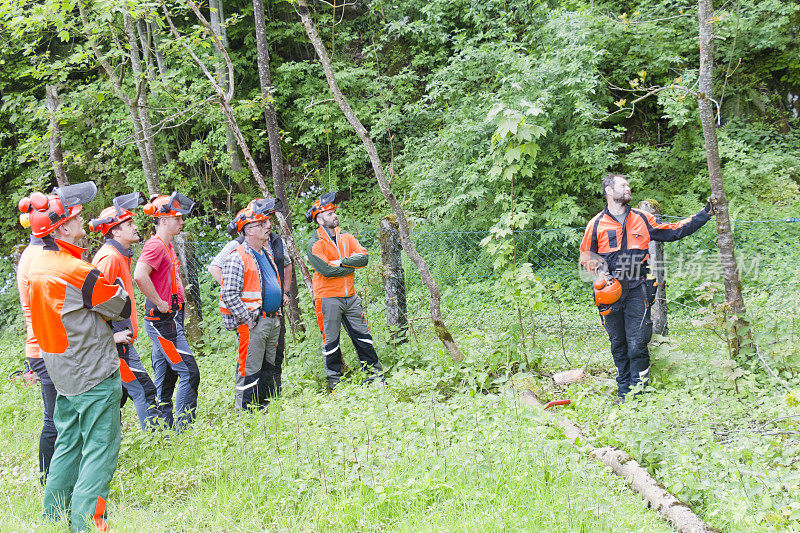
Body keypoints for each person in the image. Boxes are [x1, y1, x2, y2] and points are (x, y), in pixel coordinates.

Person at [20, 182, 132, 532]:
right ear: (62, 227)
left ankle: (54, 519)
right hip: (93, 372)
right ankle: (88, 525)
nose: (84, 224)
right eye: (77, 218)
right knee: (101, 450)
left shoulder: (35, 261)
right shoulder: (75, 270)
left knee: (68, 444)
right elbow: (121, 305)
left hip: (60, 368)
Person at [579, 173, 715, 402]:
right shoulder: (596, 224)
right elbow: (586, 255)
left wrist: (706, 213)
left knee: (637, 343)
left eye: (628, 185)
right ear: (609, 191)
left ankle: (640, 394)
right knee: (618, 344)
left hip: (637, 288)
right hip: (609, 293)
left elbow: (674, 230)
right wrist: (601, 275)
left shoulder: (642, 218)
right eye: (623, 185)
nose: (628, 187)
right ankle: (624, 393)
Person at [90, 192, 161, 431]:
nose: (135, 227)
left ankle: (111, 440)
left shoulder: (120, 256)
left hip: (121, 341)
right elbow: (92, 304)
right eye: (129, 224)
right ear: (115, 232)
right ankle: (157, 441)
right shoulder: (109, 259)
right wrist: (112, 337)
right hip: (116, 344)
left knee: (116, 397)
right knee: (144, 390)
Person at [209, 198, 293, 400]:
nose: (268, 225)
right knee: (249, 369)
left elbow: (272, 278)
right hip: (254, 321)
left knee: (267, 366)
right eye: (262, 223)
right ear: (248, 230)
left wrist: (282, 295)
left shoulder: (266, 252)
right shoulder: (237, 255)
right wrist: (248, 317)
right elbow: (229, 293)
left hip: (271, 319)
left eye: (267, 221)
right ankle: (246, 413)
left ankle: (264, 405)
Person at [133, 192, 198, 432]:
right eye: (177, 218)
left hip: (169, 318)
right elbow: (139, 275)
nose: (181, 222)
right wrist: (160, 302)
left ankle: (164, 427)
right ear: (163, 220)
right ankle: (185, 428)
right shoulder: (155, 245)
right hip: (163, 321)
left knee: (166, 374)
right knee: (189, 372)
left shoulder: (166, 244)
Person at [305, 191, 383, 389]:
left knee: (363, 336)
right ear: (319, 219)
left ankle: (374, 375)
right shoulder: (314, 244)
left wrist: (340, 262)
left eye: (334, 212)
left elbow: (364, 258)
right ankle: (335, 382)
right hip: (328, 298)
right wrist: (350, 266)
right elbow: (327, 271)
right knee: (331, 342)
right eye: (329, 213)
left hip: (351, 297)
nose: (334, 215)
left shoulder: (347, 238)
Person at [16, 214, 55, 483]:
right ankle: (47, 477)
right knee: (54, 418)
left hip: (44, 345)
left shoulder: (35, 252)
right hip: (42, 347)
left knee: (58, 415)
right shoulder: (38, 256)